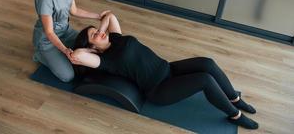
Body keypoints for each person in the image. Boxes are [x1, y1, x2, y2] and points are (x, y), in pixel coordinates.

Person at [71, 12, 259, 130]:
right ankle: (235, 115)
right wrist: (92, 46)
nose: (99, 32)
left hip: (168, 68)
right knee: (205, 80)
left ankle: (235, 98)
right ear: (92, 48)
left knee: (208, 63)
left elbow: (110, 15)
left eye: (97, 30)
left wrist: (98, 31)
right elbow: (78, 55)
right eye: (93, 35)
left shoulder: (116, 38)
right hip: (159, 89)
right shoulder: (104, 60)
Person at [32, 0, 109, 82]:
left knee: (91, 49)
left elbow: (74, 11)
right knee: (68, 76)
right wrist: (65, 50)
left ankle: (61, 53)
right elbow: (49, 32)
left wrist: (98, 16)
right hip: (47, 41)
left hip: (66, 32)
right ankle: (39, 55)